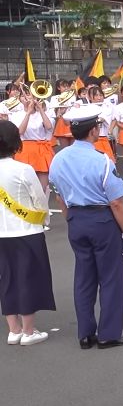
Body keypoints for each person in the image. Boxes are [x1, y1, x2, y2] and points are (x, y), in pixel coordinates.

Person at [48, 104, 123, 349]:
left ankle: (85, 334)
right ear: (93, 131)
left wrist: (70, 219)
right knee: (110, 277)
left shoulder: (58, 159)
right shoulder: (101, 160)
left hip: (76, 218)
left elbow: (58, 197)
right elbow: (116, 202)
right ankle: (109, 333)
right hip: (101, 220)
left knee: (84, 278)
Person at [0, 119, 55, 345]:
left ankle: (13, 330)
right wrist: (44, 220)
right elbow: (40, 201)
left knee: (7, 280)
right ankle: (29, 332)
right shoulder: (23, 169)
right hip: (26, 232)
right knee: (28, 279)